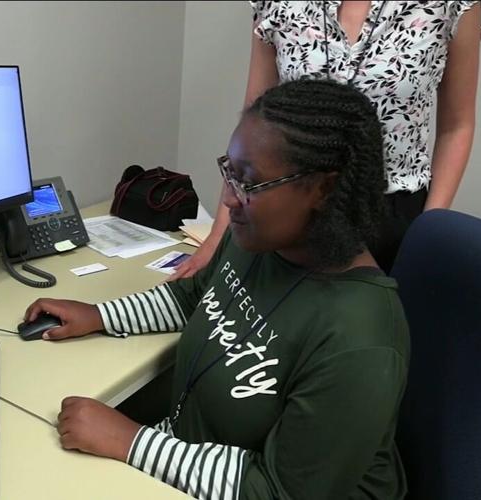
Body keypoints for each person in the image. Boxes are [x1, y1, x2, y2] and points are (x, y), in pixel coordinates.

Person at [23, 79, 410, 499]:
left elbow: (278, 489)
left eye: (248, 182)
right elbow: (192, 297)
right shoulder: (262, 240)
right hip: (194, 456)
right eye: (229, 172)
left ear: (322, 189)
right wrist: (100, 315)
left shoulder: (361, 340)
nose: (227, 199)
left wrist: (131, 442)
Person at [172, 0, 481, 278]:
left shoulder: (449, 5)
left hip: (393, 216)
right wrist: (218, 237)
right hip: (291, 210)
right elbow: (255, 124)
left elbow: (457, 127)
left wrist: (428, 233)